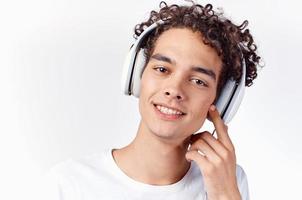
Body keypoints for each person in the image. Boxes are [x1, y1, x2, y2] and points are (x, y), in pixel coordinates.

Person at [41, 1, 261, 200]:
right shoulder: (68, 184)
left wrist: (225, 195)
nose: (174, 90)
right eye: (162, 69)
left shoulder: (227, 181)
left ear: (221, 103)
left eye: (198, 81)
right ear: (137, 76)